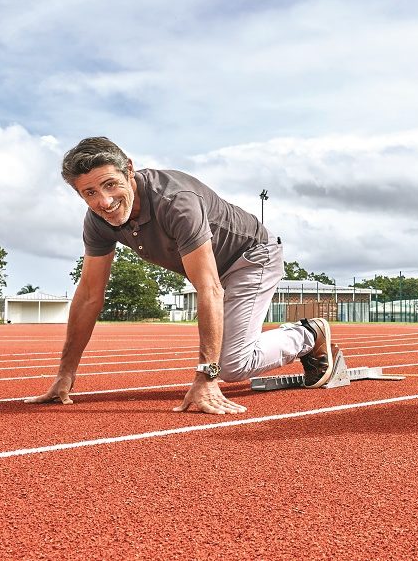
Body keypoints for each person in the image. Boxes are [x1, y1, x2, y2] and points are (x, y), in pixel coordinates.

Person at [26, 137, 341, 414]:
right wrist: (65, 374)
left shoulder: (176, 203)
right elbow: (90, 294)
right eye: (89, 193)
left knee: (232, 366)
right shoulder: (98, 220)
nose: (104, 202)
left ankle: (309, 335)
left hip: (251, 257)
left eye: (110, 184)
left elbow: (209, 289)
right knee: (230, 356)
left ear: (129, 170)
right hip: (214, 267)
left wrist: (206, 377)